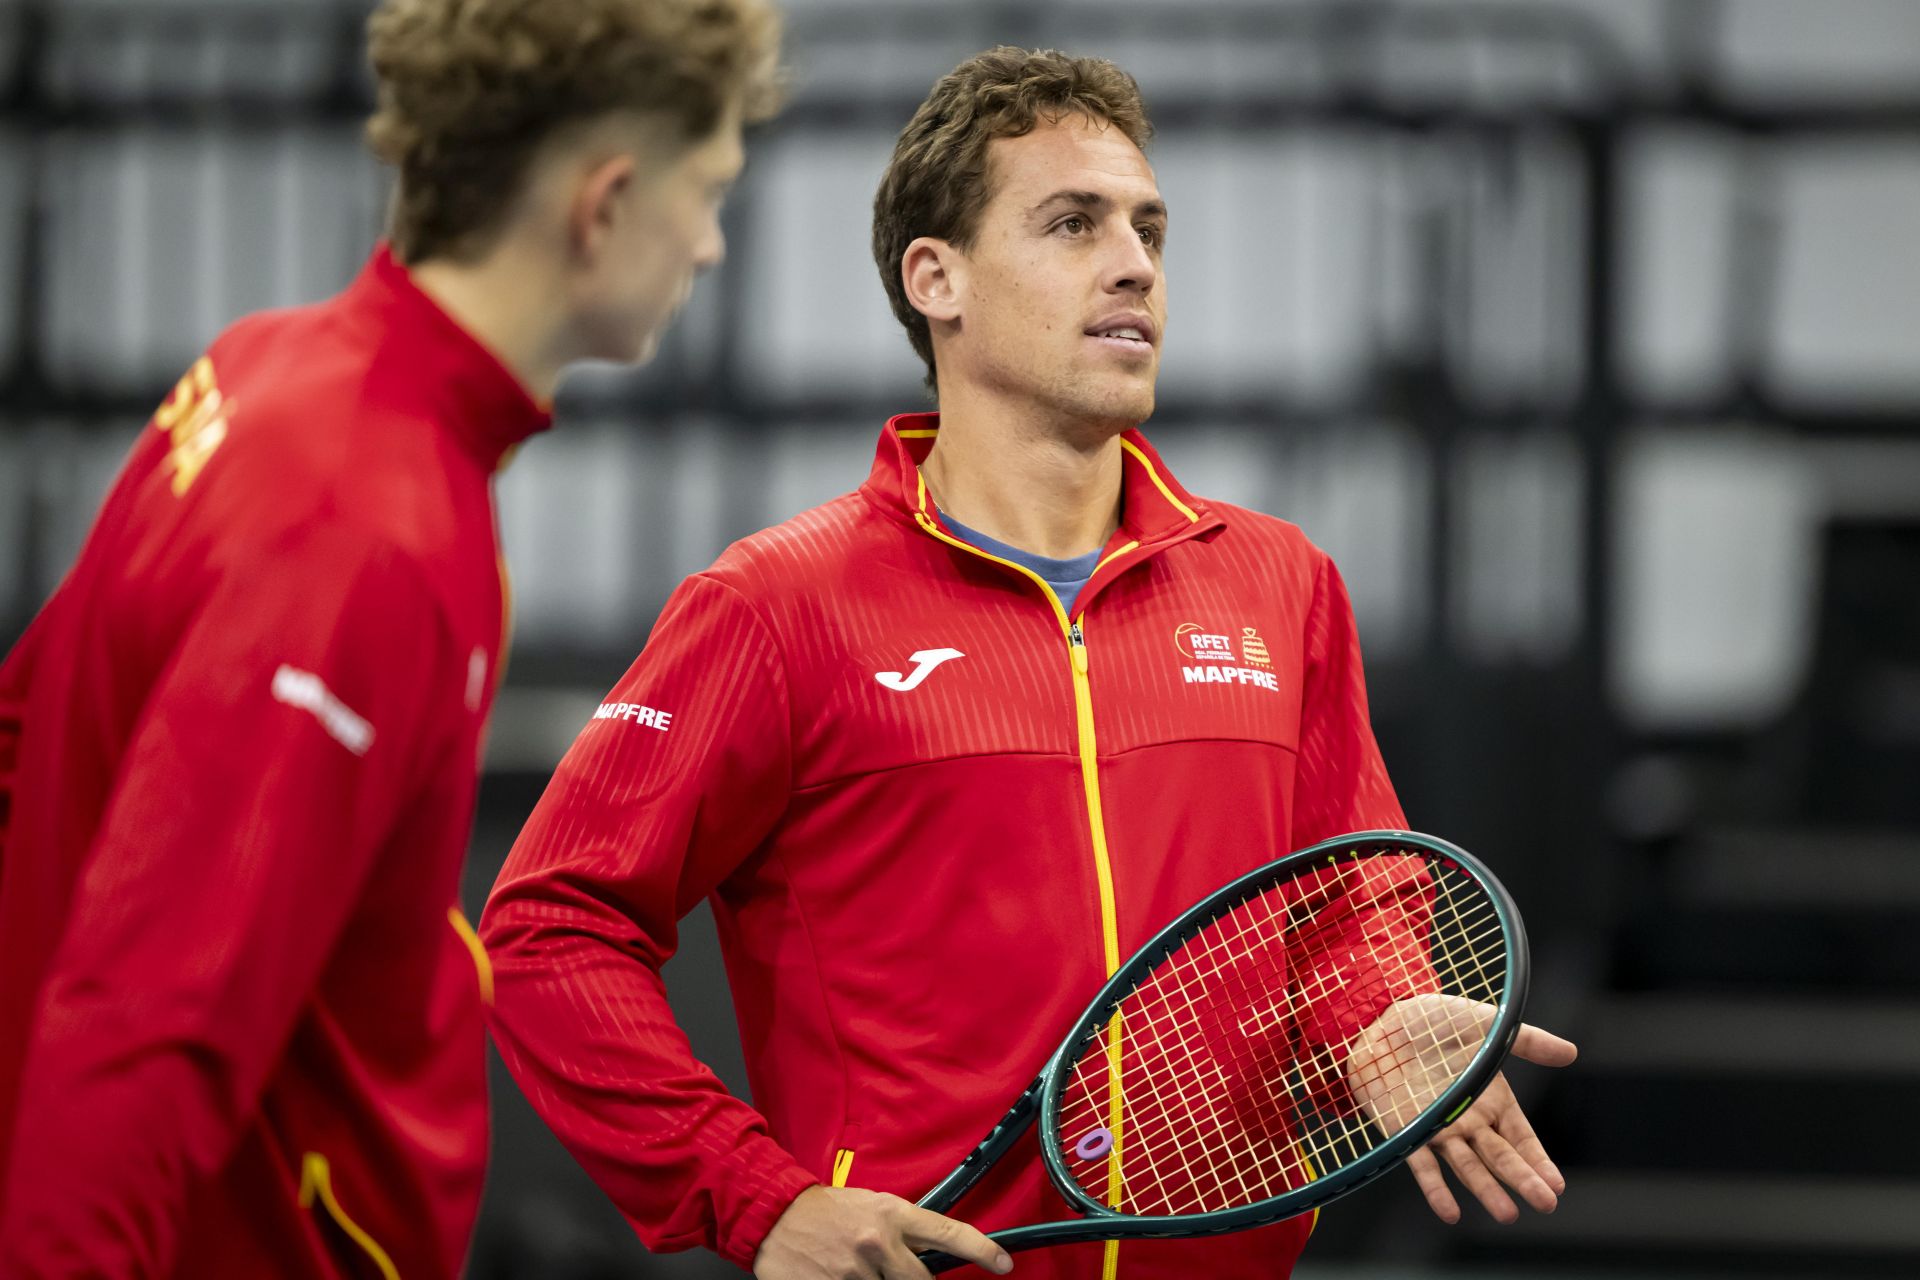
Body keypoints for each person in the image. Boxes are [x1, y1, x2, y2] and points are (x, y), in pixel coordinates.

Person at [481, 45, 1577, 1280]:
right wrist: (755, 1195)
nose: (1135, 264)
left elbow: (1345, 903)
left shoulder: (1282, 585)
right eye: (1073, 222)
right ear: (936, 278)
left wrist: (1379, 1014)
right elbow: (552, 925)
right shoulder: (776, 606)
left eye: (1148, 227)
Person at [0, 1, 781, 1275]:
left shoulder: (266, 372)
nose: (705, 244)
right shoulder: (363, 529)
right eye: (707, 192)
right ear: (606, 202)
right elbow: (151, 1023)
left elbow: (23, 743)